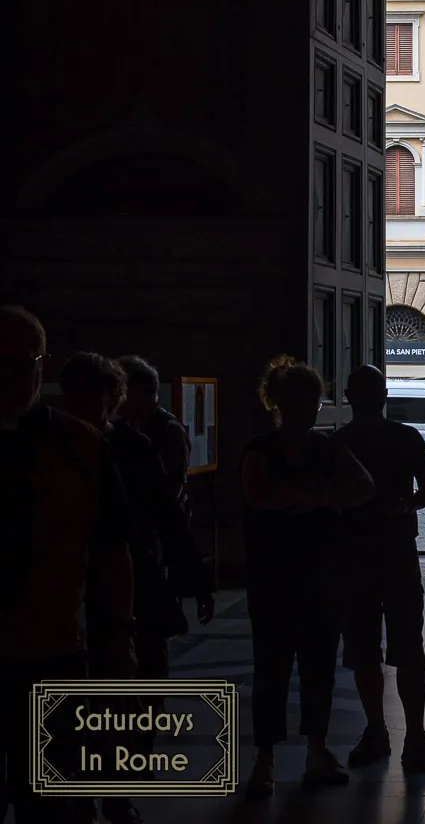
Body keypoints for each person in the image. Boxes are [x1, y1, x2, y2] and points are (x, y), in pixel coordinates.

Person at [61, 352, 215, 824]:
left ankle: (112, 782)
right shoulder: (122, 445)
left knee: (130, 689)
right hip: (107, 579)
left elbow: (168, 518)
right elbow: (169, 518)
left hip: (127, 579)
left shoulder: (110, 446)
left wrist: (194, 579)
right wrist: (195, 581)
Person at [0, 307, 136, 824]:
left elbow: (111, 549)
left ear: (43, 365)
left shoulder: (81, 444)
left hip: (52, 647)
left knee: (55, 802)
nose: (9, 379)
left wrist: (120, 635)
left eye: (20, 364)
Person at [241, 356, 376, 797]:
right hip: (290, 572)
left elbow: (364, 487)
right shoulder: (290, 450)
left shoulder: (307, 449)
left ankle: (288, 755)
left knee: (299, 666)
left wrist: (307, 497)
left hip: (302, 572)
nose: (306, 410)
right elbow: (258, 496)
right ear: (279, 402)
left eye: (311, 402)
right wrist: (323, 497)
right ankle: (282, 754)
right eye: (300, 401)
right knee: (282, 667)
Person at [338, 365, 425, 775]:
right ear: (384, 396)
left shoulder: (338, 442)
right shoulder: (405, 438)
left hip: (354, 555)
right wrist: (406, 505)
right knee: (408, 645)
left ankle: (375, 729)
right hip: (398, 552)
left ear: (348, 396)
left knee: (364, 647)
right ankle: (415, 736)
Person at [115, 356, 192, 522]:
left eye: (121, 389)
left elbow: (171, 493)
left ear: (139, 392)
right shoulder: (122, 427)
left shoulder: (170, 431)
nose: (115, 396)